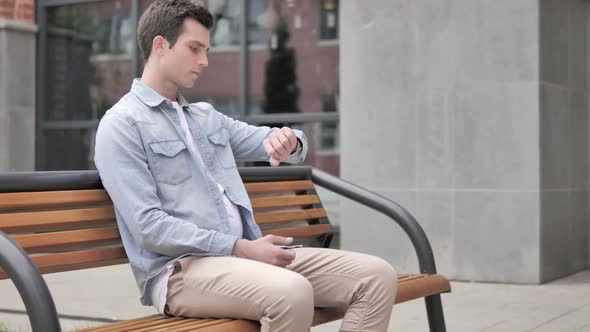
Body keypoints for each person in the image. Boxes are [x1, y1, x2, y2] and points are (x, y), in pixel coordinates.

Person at [94, 0, 397, 331]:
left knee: (376, 277)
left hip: (245, 259)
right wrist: (238, 247)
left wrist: (289, 140)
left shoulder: (206, 117)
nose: (204, 61)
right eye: (194, 48)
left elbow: (281, 142)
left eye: (206, 50)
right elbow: (148, 226)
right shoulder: (122, 124)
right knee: (292, 292)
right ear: (160, 45)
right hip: (182, 271)